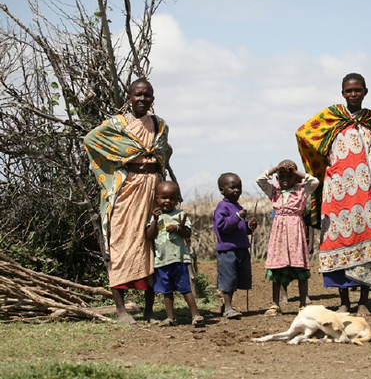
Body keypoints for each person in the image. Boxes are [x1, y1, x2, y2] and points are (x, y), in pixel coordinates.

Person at [296, 73, 371, 316]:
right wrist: (322, 159)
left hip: (366, 194)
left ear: (366, 91)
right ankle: (343, 300)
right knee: (337, 241)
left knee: (368, 241)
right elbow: (303, 133)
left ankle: (364, 301)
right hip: (335, 194)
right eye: (348, 90)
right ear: (342, 93)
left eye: (357, 90)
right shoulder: (331, 118)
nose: (353, 94)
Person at [84, 78, 171, 323]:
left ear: (153, 98)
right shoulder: (117, 125)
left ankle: (149, 310)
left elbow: (165, 151)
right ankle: (121, 311)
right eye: (138, 95)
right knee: (121, 244)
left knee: (151, 247)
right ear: (129, 97)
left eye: (147, 95)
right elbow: (91, 140)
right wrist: (124, 159)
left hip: (153, 189)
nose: (142, 99)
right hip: (127, 189)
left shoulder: (159, 125)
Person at [256, 160, 320, 315]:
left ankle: (303, 303)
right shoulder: (274, 190)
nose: (285, 178)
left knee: (300, 267)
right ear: (277, 178)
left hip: (295, 232)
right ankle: (275, 304)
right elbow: (260, 180)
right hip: (279, 234)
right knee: (277, 267)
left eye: (289, 175)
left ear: (296, 178)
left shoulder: (301, 190)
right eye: (281, 175)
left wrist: (296, 172)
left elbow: (315, 181)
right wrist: (274, 169)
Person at [146, 181, 204, 327]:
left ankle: (195, 315)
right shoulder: (154, 216)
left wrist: (178, 228)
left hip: (179, 259)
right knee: (167, 291)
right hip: (162, 261)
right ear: (157, 198)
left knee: (185, 288)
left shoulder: (180, 215)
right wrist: (154, 220)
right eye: (164, 198)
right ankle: (170, 317)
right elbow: (149, 235)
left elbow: (188, 233)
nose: (167, 201)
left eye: (172, 198)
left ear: (177, 199)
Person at [213, 172, 258, 318]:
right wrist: (238, 216)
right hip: (228, 251)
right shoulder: (222, 207)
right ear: (222, 189)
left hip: (241, 249)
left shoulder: (237, 206)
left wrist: (249, 226)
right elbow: (223, 227)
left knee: (237, 278)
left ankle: (226, 306)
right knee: (228, 279)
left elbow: (239, 229)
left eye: (239, 187)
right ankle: (228, 308)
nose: (237, 190)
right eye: (232, 187)